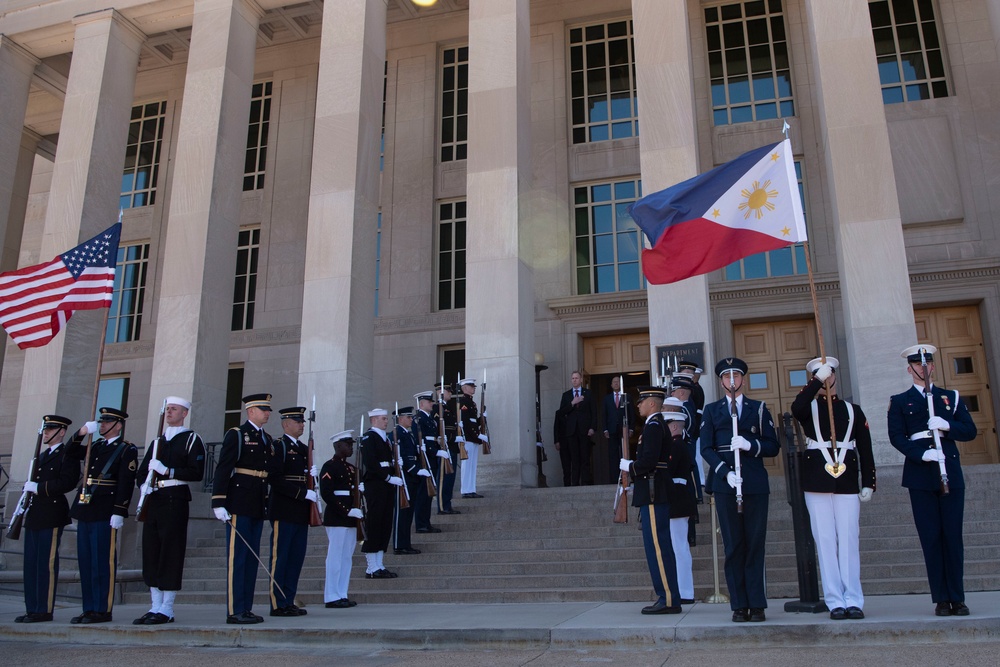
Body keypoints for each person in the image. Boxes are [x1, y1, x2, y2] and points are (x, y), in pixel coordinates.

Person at [887, 344, 977, 617]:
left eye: (926, 364)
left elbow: (970, 430)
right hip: (920, 475)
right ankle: (940, 598)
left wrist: (947, 425)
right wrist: (922, 453)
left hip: (949, 471)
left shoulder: (951, 397)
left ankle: (957, 598)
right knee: (931, 538)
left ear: (933, 367)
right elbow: (897, 437)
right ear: (909, 369)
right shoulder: (900, 401)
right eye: (917, 365)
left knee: (952, 537)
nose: (922, 369)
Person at [791, 357, 876, 621]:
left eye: (828, 374)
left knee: (849, 539)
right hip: (817, 479)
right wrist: (815, 382)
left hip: (847, 480)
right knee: (826, 540)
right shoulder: (809, 408)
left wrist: (869, 483)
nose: (826, 378)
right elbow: (797, 407)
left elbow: (865, 448)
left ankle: (854, 599)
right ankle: (835, 600)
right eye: (820, 374)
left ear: (836, 376)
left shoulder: (853, 410)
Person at [700, 357, 780, 623]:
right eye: (726, 377)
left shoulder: (758, 409)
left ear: (743, 380)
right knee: (733, 545)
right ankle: (739, 604)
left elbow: (772, 445)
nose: (731, 381)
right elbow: (706, 449)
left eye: (736, 377)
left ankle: (756, 604)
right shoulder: (712, 411)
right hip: (726, 485)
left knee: (755, 544)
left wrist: (750, 445)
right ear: (721, 381)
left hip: (755, 483)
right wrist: (726, 473)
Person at [133, 397, 205, 625]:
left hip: (175, 498)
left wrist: (168, 470)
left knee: (170, 552)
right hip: (154, 499)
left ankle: (167, 607)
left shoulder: (191, 439)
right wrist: (144, 483)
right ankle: (155, 605)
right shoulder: (157, 442)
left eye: (174, 409)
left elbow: (196, 472)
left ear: (184, 413)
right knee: (151, 551)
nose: (169, 413)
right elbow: (142, 471)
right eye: (167, 409)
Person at [65, 407, 137, 624]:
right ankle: (88, 608)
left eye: (107, 422)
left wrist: (120, 510)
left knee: (101, 562)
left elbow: (126, 482)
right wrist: (81, 433)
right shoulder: (94, 446)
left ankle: (102, 609)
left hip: (106, 509)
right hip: (86, 507)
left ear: (118, 425)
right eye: (101, 422)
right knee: (86, 562)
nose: (102, 425)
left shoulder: (126, 450)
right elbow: (68, 452)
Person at [211, 392, 273, 625]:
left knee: (251, 558)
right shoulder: (237, 434)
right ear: (250, 411)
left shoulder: (266, 437)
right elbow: (224, 468)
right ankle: (235, 609)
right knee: (238, 558)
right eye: (263, 409)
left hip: (257, 502)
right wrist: (218, 501)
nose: (267, 413)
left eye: (268, 409)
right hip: (239, 501)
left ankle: (246, 607)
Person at [618, 386, 680, 615]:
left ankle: (668, 598)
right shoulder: (654, 425)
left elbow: (649, 461)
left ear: (652, 403)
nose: (638, 405)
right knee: (658, 546)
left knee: (658, 547)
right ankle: (668, 596)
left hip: (654, 489)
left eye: (641, 401)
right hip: (653, 489)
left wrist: (630, 466)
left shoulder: (654, 426)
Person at [15, 415, 79, 624]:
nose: (46, 433)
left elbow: (68, 482)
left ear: (61, 432)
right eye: (45, 429)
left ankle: (43, 609)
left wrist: (40, 488)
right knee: (31, 564)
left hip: (52, 514)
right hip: (35, 514)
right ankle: (32, 608)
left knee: (46, 563)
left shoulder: (66, 455)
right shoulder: (41, 456)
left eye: (51, 429)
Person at [267, 406, 317, 617]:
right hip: (284, 508)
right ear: (286, 424)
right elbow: (275, 479)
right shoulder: (279, 447)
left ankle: (289, 599)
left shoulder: (304, 448)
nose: (302, 424)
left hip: (300, 511)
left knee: (296, 558)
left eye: (303, 421)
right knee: (281, 557)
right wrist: (301, 493)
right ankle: (278, 603)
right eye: (298, 422)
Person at [320, 430, 364, 608]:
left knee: (346, 557)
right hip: (338, 517)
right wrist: (347, 511)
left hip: (351, 518)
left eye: (352, 444)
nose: (351, 447)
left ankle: (341, 593)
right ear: (338, 446)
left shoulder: (352, 469)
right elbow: (327, 494)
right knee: (335, 557)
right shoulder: (329, 466)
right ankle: (331, 595)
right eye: (348, 444)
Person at [662, 400, 696, 604]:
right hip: (676, 499)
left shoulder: (676, 445)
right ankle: (682, 590)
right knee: (677, 546)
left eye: (667, 425)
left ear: (674, 426)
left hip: (678, 499)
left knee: (679, 547)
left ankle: (685, 591)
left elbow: (669, 471)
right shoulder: (677, 444)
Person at [360, 408, 401, 579]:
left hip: (385, 485)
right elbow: (371, 463)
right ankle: (371, 567)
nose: (386, 421)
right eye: (383, 419)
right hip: (376, 484)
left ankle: (380, 564)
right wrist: (387, 477)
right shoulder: (369, 437)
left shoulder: (385, 439)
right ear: (374, 420)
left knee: (385, 524)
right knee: (375, 523)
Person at [391, 406, 423, 555]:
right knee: (402, 513)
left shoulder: (408, 434)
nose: (411, 419)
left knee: (408, 513)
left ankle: (406, 543)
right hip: (404, 477)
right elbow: (401, 456)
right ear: (400, 419)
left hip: (412, 478)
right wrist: (413, 470)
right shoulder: (396, 434)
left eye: (411, 417)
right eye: (408, 417)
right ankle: (399, 544)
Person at [557, 370, 596, 486]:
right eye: (572, 378)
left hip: (585, 430)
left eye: (576, 378)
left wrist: (592, 427)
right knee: (574, 458)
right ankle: (575, 483)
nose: (574, 380)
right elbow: (561, 412)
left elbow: (593, 412)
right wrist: (572, 403)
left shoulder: (588, 393)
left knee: (585, 457)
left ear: (581, 380)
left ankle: (585, 481)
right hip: (571, 431)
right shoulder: (566, 395)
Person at [413, 391, 443, 533]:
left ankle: (426, 521)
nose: (432, 403)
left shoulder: (429, 418)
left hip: (431, 457)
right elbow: (421, 440)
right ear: (421, 404)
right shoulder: (418, 419)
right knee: (423, 493)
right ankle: (421, 523)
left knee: (429, 492)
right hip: (425, 457)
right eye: (429, 402)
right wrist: (434, 451)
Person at [432, 382, 461, 515]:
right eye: (448, 391)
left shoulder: (447, 408)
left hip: (452, 447)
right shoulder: (437, 408)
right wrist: (452, 439)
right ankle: (443, 506)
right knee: (444, 478)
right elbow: (439, 431)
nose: (450, 393)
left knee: (450, 478)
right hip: (445, 446)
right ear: (441, 392)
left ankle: (447, 504)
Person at [602, 375, 633, 485]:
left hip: (624, 429)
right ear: (611, 385)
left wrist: (631, 428)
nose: (616, 383)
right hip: (612, 430)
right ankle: (615, 479)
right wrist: (605, 429)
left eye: (617, 382)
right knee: (613, 455)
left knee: (625, 453)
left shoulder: (626, 397)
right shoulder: (607, 398)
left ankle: (626, 477)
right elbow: (604, 415)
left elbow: (631, 414)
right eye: (614, 382)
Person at [458, 378, 486, 498]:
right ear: (464, 388)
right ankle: (465, 490)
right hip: (468, 437)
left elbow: (474, 422)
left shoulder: (472, 403)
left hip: (473, 437)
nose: (473, 388)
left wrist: (483, 419)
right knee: (467, 465)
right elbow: (466, 421)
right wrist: (477, 434)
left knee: (472, 465)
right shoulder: (463, 401)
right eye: (471, 386)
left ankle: (471, 488)